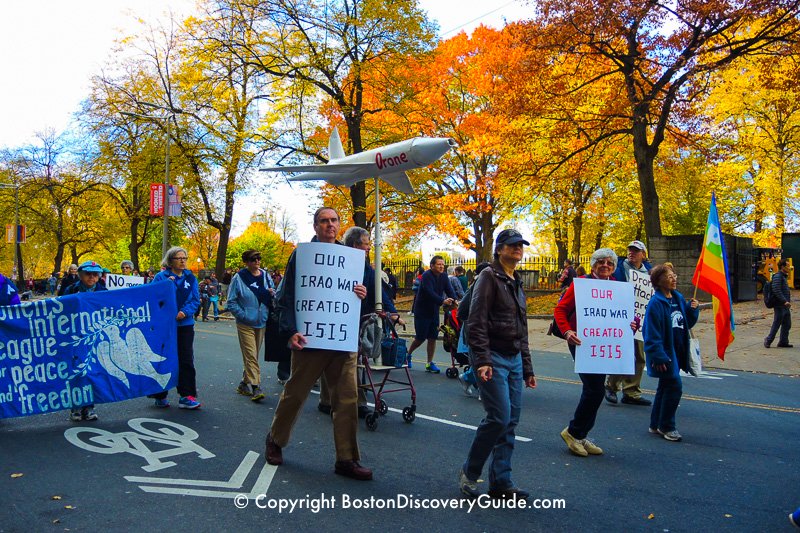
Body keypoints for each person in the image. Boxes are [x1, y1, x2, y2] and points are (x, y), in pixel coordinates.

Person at [264, 207, 372, 481]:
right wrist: (290, 331)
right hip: (309, 340)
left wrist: (361, 293)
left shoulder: (351, 258)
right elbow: (286, 295)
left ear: (339, 225)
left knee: (347, 399)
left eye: (334, 220)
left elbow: (356, 298)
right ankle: (275, 440)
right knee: (296, 394)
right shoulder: (302, 255)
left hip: (341, 340)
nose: (330, 225)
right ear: (315, 226)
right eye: (324, 221)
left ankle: (346, 459)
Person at [459, 229, 536, 500]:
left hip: (514, 360)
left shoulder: (516, 281)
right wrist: (481, 360)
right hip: (493, 357)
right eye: (512, 245)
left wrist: (527, 368)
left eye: (520, 245)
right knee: (499, 417)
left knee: (511, 421)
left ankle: (501, 481)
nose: (518, 249)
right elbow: (476, 320)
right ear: (500, 249)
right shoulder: (488, 277)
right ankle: (470, 472)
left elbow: (522, 329)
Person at [554, 247, 638, 457]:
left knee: (596, 389)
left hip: (605, 343)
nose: (605, 266)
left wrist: (632, 325)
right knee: (595, 390)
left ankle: (580, 434)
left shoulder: (618, 288)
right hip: (582, 342)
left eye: (610, 263)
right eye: (601, 262)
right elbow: (560, 310)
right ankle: (573, 432)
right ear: (593, 264)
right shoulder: (580, 284)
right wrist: (567, 331)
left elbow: (628, 317)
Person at [319, 227, 403, 418]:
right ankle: (328, 400)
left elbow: (377, 290)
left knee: (353, 361)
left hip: (356, 320)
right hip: (333, 318)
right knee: (328, 359)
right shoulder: (336, 259)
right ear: (356, 245)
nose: (368, 248)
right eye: (366, 244)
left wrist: (392, 313)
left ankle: (358, 402)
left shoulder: (366, 267)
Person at [643, 264, 700, 442]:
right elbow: (650, 333)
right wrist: (658, 356)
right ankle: (667, 426)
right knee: (675, 386)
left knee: (665, 387)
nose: (674, 278)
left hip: (677, 350)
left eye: (674, 275)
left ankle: (655, 423)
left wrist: (693, 310)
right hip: (665, 354)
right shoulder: (655, 304)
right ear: (658, 281)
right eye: (669, 276)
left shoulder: (677, 298)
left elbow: (686, 323)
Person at [149, 247, 202, 410]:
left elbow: (195, 300)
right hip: (165, 325)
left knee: (185, 359)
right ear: (170, 260)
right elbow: (153, 297)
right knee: (162, 357)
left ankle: (187, 395)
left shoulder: (191, 278)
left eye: (184, 258)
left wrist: (184, 312)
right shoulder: (161, 277)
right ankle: (160, 395)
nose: (183, 260)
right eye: (179, 258)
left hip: (184, 325)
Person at [605, 240, 654, 406]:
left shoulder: (649, 272)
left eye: (636, 251)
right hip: (621, 317)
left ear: (643, 254)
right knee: (623, 353)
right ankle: (611, 386)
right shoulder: (618, 268)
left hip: (640, 319)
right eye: (630, 250)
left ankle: (631, 392)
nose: (631, 253)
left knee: (639, 356)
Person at [64, 261, 108, 421]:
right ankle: (76, 406)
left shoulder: (104, 291)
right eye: (88, 273)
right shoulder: (71, 290)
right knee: (76, 372)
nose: (92, 277)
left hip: (95, 337)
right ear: (80, 275)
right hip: (75, 337)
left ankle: (89, 406)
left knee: (92, 371)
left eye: (95, 274)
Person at [227, 249, 273, 402]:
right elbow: (231, 301)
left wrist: (271, 293)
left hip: (261, 321)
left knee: (253, 355)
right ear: (246, 262)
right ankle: (255, 386)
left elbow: (274, 293)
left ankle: (243, 383)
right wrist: (243, 315)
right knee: (251, 355)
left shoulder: (266, 276)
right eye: (253, 259)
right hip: (245, 323)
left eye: (259, 258)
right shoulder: (239, 278)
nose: (257, 261)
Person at [407, 256, 457, 373]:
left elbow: (449, 289)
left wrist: (454, 300)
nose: (441, 266)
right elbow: (429, 292)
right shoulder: (426, 276)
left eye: (442, 264)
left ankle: (429, 363)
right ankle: (408, 354)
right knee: (420, 337)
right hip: (422, 310)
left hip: (434, 311)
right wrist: (442, 301)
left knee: (433, 337)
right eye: (439, 264)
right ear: (432, 265)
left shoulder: (444, 276)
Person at [764, 259, 793, 348]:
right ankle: (768, 341)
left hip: (785, 305)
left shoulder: (783, 276)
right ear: (783, 267)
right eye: (788, 266)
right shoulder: (778, 276)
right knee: (777, 323)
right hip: (780, 304)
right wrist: (785, 301)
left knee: (787, 324)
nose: (790, 268)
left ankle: (783, 342)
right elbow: (776, 290)